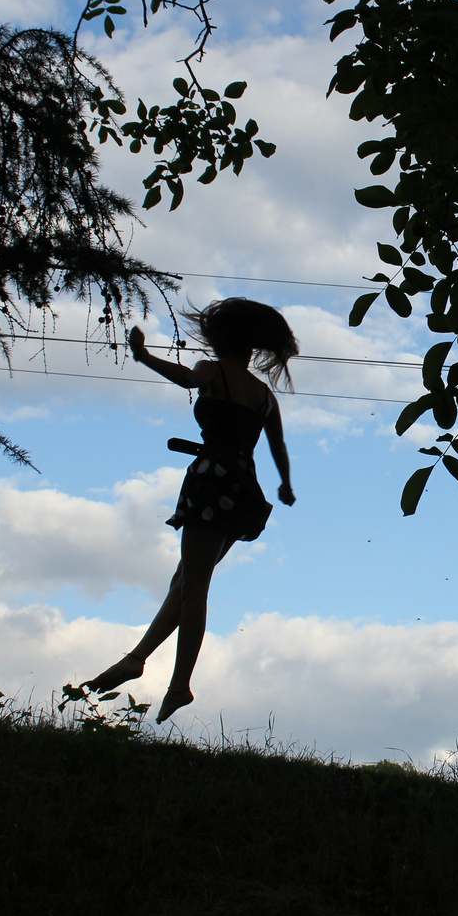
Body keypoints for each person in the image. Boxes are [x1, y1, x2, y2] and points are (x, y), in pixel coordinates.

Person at [85, 298, 298, 722]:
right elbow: (277, 446)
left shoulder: (211, 371)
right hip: (243, 490)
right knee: (185, 581)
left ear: (221, 341)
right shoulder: (264, 395)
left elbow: (183, 377)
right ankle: (137, 659)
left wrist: (143, 356)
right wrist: (286, 485)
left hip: (210, 481)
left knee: (193, 586)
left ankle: (180, 684)